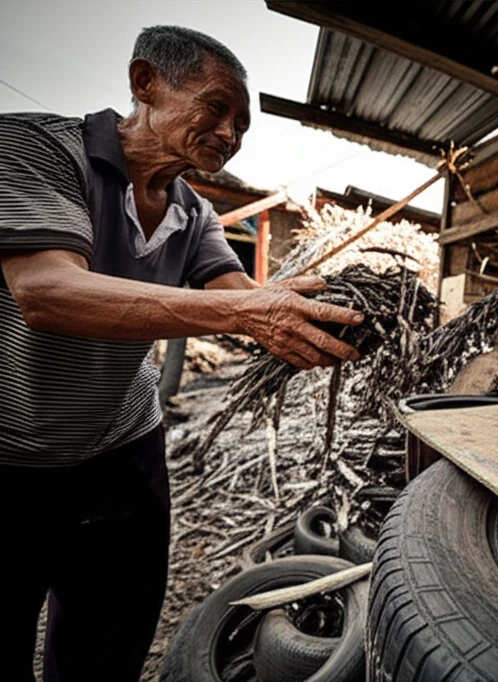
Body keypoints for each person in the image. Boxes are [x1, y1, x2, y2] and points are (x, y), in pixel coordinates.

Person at [0, 27, 363, 681]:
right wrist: (252, 312)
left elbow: (239, 295)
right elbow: (46, 292)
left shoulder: (192, 212)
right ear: (146, 83)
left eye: (242, 126)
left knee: (108, 641)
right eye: (217, 108)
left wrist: (318, 316)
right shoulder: (37, 148)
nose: (230, 134)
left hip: (121, 449)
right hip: (11, 454)